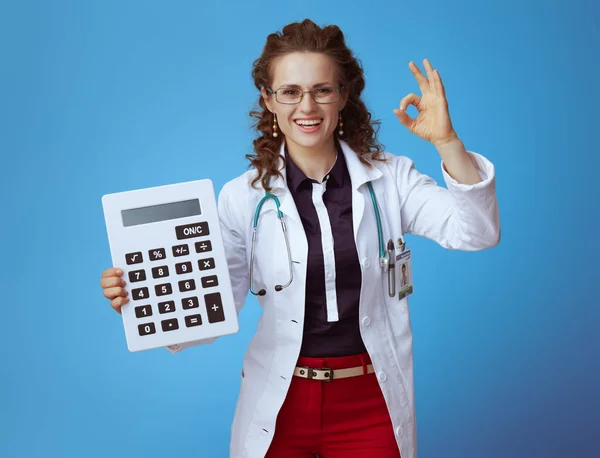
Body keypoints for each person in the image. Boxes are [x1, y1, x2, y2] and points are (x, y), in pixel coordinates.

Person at [100, 19, 500, 458]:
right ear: (268, 100)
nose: (306, 106)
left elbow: (476, 232)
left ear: (344, 96)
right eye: (289, 91)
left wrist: (446, 142)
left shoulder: (390, 178)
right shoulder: (242, 197)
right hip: (281, 401)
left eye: (322, 90)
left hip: (370, 401)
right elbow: (220, 303)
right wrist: (143, 296)